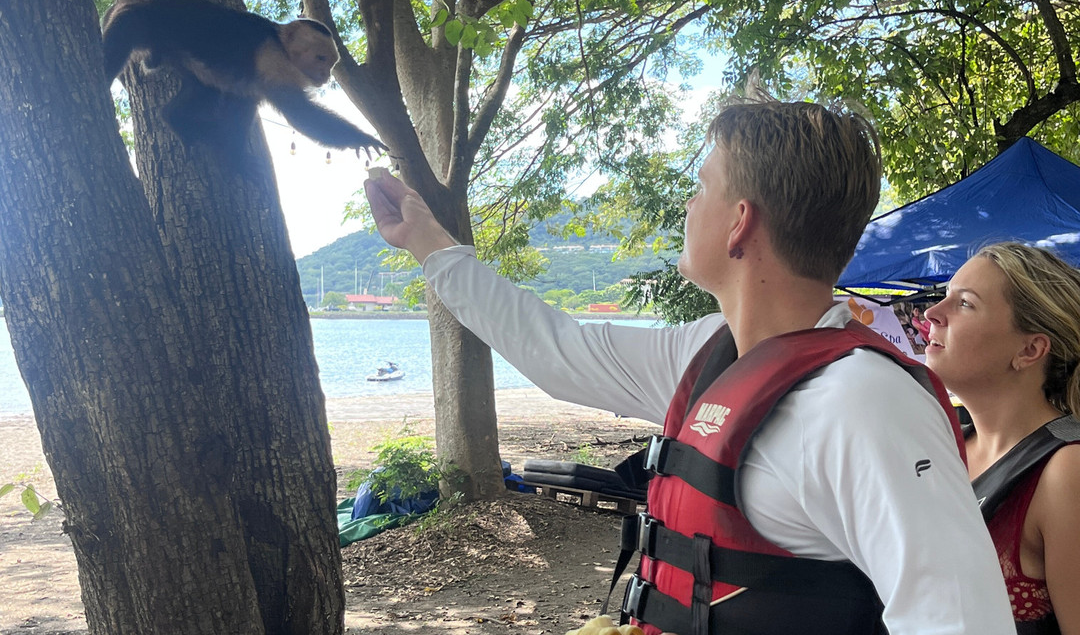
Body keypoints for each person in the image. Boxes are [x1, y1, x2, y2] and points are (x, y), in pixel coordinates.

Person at [364, 95, 1014, 635]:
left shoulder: (865, 403)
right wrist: (426, 240)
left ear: (739, 222)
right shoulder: (707, 353)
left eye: (700, 187)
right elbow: (553, 350)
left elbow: (959, 619)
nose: (686, 205)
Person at [924, 243, 1080, 634]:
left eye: (964, 304)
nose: (931, 314)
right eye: (945, 297)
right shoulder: (940, 445)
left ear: (1030, 349)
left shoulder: (1066, 470)